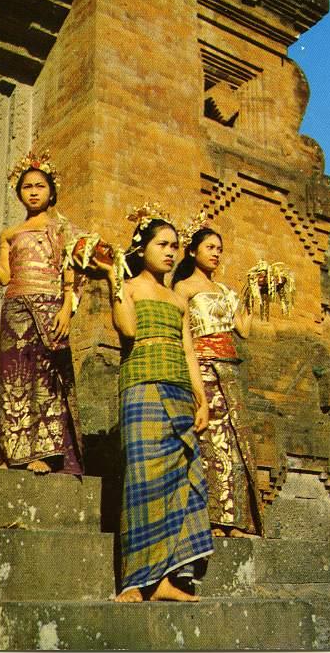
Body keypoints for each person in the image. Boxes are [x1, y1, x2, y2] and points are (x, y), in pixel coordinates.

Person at [95, 204, 213, 602]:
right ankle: (135, 581)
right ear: (142, 248)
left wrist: (202, 399)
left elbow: (189, 350)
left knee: (181, 480)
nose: (170, 252)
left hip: (179, 390)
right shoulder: (128, 288)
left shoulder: (178, 299)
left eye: (175, 246)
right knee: (142, 480)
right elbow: (126, 328)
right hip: (142, 388)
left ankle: (167, 579)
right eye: (162, 244)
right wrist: (114, 278)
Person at [0, 151, 84, 476]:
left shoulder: (61, 228)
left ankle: (45, 453)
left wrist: (67, 308)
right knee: (14, 378)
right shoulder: (9, 233)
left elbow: (71, 272)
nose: (34, 192)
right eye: (27, 187)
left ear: (51, 192)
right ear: (19, 193)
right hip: (15, 309)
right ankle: (14, 451)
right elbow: (5, 277)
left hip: (49, 308)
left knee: (45, 379)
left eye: (40, 186)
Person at [173, 218, 264, 537]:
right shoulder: (182, 288)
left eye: (220, 249)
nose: (216, 254)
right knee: (209, 441)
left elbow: (244, 329)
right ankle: (210, 519)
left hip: (230, 369)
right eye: (210, 247)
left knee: (235, 444)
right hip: (202, 367)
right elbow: (182, 335)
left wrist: (255, 293)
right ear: (193, 251)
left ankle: (235, 519)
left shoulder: (226, 291)